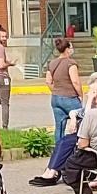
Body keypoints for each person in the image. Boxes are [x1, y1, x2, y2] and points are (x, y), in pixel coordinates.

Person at [34, 38, 82, 186]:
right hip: (70, 97)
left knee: (59, 128)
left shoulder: (52, 63)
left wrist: (56, 91)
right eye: (71, 47)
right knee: (80, 124)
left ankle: (57, 159)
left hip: (55, 98)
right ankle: (74, 158)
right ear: (67, 49)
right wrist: (80, 95)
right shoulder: (70, 63)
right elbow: (75, 81)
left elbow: (48, 81)